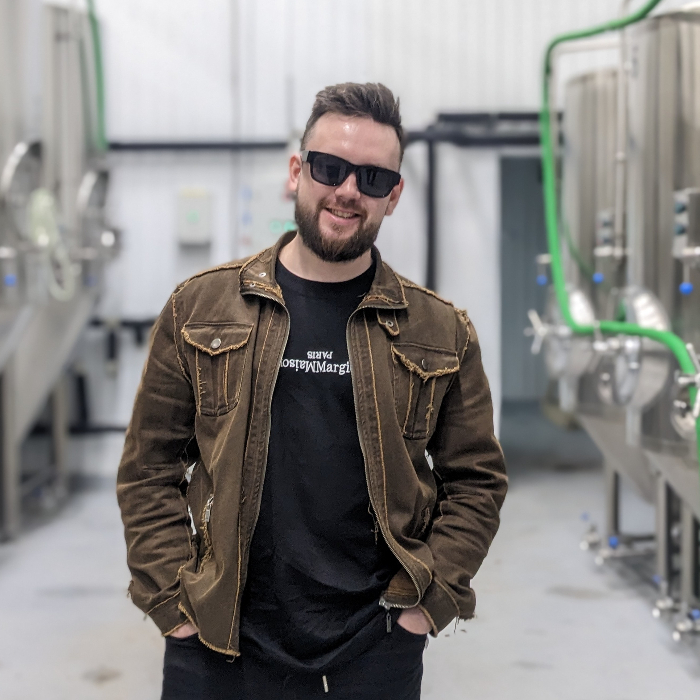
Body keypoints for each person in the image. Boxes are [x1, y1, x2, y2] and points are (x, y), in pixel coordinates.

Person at [117, 82, 507, 700]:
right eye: (330, 167)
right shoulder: (200, 307)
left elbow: (477, 481)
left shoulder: (440, 330)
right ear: (297, 172)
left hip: (374, 646)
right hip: (219, 641)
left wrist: (423, 607)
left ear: (394, 195)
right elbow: (148, 469)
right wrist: (175, 604)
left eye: (373, 178)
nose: (348, 190)